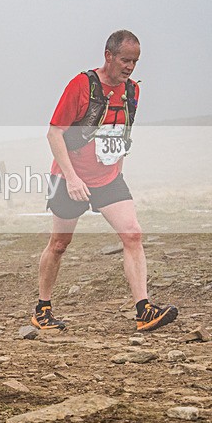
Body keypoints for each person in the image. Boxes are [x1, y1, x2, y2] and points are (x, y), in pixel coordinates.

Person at [34, 30, 178, 332]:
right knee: (59, 243)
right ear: (108, 55)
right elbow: (54, 133)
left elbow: (120, 135)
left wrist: (116, 171)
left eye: (135, 62)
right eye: (125, 60)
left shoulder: (133, 91)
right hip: (69, 177)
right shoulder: (81, 85)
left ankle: (144, 310)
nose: (129, 67)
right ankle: (42, 309)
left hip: (108, 178)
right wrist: (72, 178)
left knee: (133, 234)